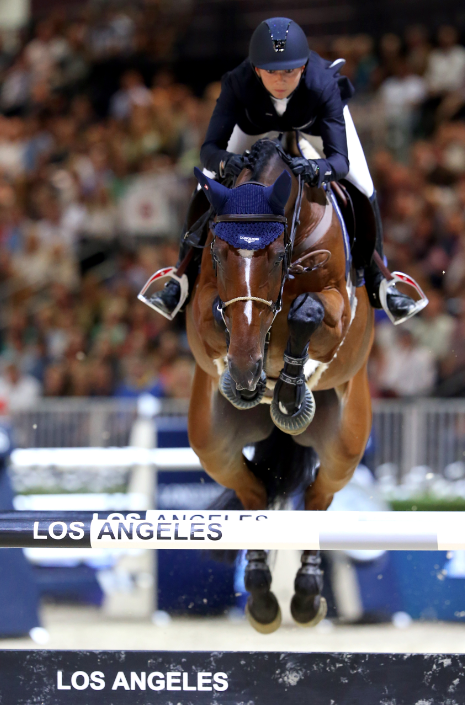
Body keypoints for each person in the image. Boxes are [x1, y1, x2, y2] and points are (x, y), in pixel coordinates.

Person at [149, 17, 423, 324]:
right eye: (271, 72)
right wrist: (226, 162)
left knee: (362, 183)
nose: (280, 81)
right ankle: (181, 278)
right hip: (254, 125)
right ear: (256, 70)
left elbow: (339, 162)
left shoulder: (322, 85)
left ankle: (380, 280)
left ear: (303, 67)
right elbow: (209, 149)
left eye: (289, 71)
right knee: (208, 182)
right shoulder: (237, 83)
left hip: (314, 125)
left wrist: (316, 168)